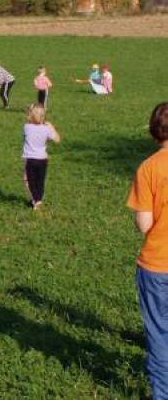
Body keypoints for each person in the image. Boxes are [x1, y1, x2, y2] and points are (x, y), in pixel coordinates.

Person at [127, 102, 168, 398]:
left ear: (154, 131)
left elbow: (144, 224)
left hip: (157, 266)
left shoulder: (149, 168)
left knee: (159, 333)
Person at [23, 104, 60, 210]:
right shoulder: (46, 129)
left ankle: (36, 200)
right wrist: (51, 127)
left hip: (30, 159)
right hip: (43, 159)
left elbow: (30, 119)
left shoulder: (26, 127)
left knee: (30, 180)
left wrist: (31, 110)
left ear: (30, 116)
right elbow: (57, 139)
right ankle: (38, 199)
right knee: (40, 180)